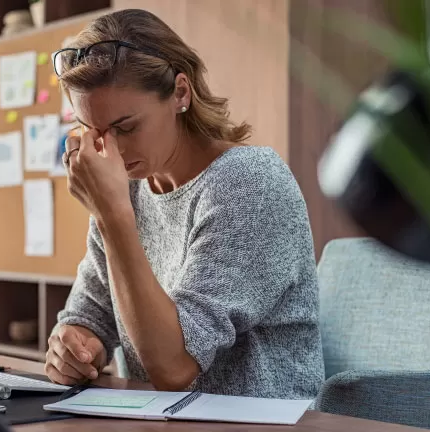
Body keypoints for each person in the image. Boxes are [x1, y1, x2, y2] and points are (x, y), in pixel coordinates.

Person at [46, 9, 324, 399]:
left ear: (180, 92)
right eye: (94, 131)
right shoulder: (126, 190)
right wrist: (73, 345)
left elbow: (174, 366)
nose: (111, 150)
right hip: (161, 420)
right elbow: (90, 314)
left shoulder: (249, 183)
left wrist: (112, 216)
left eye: (126, 127)